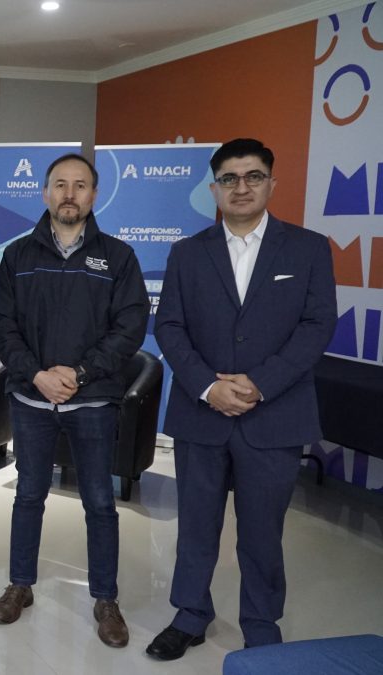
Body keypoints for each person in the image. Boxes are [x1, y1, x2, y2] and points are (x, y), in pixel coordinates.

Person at [146, 138, 337, 660]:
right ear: (214, 188)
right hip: (201, 414)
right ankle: (190, 614)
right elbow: (170, 326)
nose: (241, 187)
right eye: (229, 178)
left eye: (253, 176)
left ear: (272, 183)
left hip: (273, 415)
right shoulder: (188, 252)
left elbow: (317, 325)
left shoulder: (308, 248)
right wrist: (209, 386)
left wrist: (259, 383)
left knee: (262, 533)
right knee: (196, 527)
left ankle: (260, 622)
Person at [0, 153, 148, 647]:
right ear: (45, 193)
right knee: (29, 496)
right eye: (61, 185)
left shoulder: (118, 257)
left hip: (93, 402)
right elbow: (3, 325)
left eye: (80, 186)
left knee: (100, 502)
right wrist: (37, 375)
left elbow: (130, 328)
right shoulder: (17, 256)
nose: (70, 194)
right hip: (32, 400)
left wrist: (77, 374)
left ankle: (105, 597)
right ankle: (20, 585)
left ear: (94, 195)